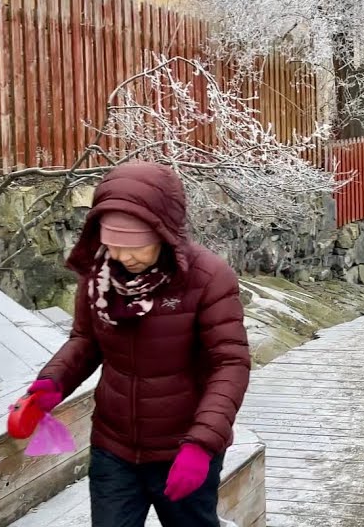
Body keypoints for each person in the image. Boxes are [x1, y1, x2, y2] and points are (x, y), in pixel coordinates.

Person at [26, 162, 251, 527]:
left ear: (164, 234)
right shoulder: (99, 278)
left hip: (184, 449)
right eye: (113, 245)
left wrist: (203, 443)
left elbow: (230, 364)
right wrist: (49, 386)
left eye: (135, 246)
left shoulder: (209, 279)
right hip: (114, 448)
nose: (122, 258)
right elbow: (86, 341)